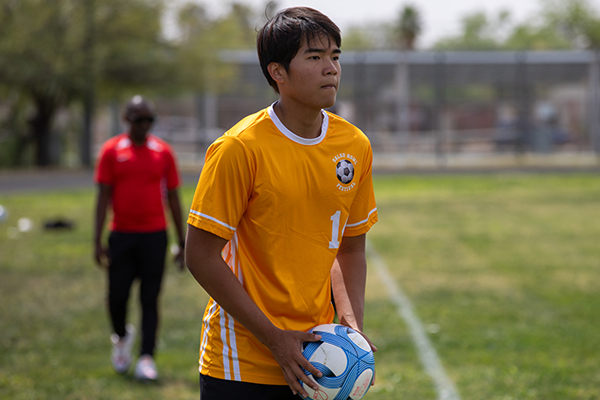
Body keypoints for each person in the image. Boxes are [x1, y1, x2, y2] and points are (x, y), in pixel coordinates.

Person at [185, 7, 378, 399]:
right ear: (278, 72)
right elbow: (200, 256)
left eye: (335, 56)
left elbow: (350, 246)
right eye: (314, 57)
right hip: (243, 365)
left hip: (320, 361)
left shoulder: (354, 146)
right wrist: (274, 338)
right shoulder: (239, 148)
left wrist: (350, 326)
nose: (331, 68)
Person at [93, 95, 185, 381]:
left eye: (149, 120)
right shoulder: (111, 151)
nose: (144, 126)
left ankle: (147, 357)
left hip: (154, 236)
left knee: (150, 298)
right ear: (127, 120)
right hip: (121, 235)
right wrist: (97, 240)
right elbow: (102, 197)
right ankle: (121, 338)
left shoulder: (163, 152)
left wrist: (182, 242)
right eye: (138, 120)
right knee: (117, 297)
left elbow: (173, 197)